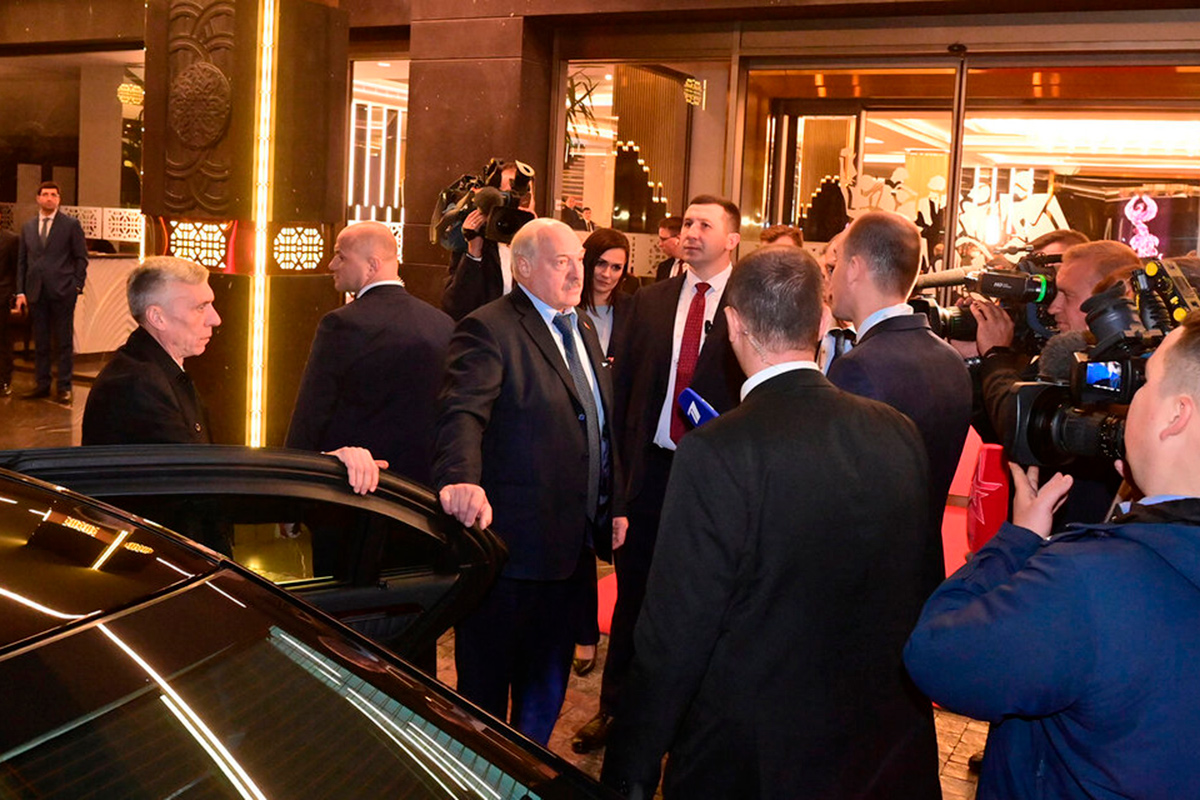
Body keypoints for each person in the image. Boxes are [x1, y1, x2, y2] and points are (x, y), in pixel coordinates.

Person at [601, 245, 941, 799]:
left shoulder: (716, 450)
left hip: (754, 755)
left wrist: (631, 767)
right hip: (875, 741)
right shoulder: (896, 429)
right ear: (823, 323)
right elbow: (916, 583)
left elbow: (675, 630)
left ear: (732, 324)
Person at [904, 309, 1200, 799]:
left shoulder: (1091, 582)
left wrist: (1017, 541)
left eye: (1145, 382)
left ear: (1176, 416)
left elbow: (935, 656)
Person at [571, 195, 746, 753]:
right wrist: (618, 490)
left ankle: (688, 727)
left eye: (704, 224)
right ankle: (616, 711)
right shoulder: (649, 302)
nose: (691, 232)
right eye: (687, 222)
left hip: (715, 481)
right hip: (650, 473)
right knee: (634, 597)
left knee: (704, 602)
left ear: (732, 239)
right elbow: (624, 400)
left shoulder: (750, 303)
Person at [433, 217, 617, 746]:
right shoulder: (488, 327)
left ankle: (528, 770)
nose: (578, 272)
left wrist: (614, 502)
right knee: (484, 696)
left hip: (572, 548)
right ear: (524, 266)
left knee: (546, 686)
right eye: (563, 262)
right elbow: (462, 413)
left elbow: (597, 423)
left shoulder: (582, 327)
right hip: (509, 551)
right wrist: (460, 479)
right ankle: (482, 773)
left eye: (579, 260)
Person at [83, 257, 382, 493]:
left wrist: (324, 466)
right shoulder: (136, 385)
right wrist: (324, 471)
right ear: (157, 317)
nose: (215, 319)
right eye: (201, 307)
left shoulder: (154, 371)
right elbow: (204, 482)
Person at [828, 210, 972, 594]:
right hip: (925, 576)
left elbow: (839, 502)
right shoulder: (950, 359)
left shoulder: (857, 368)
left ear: (855, 268)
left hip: (866, 586)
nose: (831, 276)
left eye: (836, 263)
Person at [973, 239, 1139, 525]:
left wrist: (996, 356)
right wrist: (978, 362)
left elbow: (1014, 420)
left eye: (1068, 295)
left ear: (1113, 298)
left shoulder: (1111, 374)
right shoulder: (1055, 358)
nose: (1052, 308)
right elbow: (999, 429)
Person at [286, 221, 454, 486]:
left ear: (372, 265)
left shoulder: (341, 323)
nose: (331, 264)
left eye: (341, 256)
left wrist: (292, 480)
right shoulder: (443, 324)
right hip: (423, 488)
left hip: (356, 486)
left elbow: (311, 414)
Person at [571, 226, 632, 678]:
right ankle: (583, 634)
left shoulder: (632, 311)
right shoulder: (567, 310)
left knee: (613, 539)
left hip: (620, 438)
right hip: (579, 438)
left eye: (617, 267)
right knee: (579, 544)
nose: (607, 274)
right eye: (601, 264)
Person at [15, 182, 89, 405]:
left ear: (59, 199)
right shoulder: (28, 227)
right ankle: (42, 384)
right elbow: (22, 261)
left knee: (63, 341)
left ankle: (64, 387)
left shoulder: (70, 225)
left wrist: (77, 285)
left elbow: (81, 257)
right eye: (45, 194)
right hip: (36, 291)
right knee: (41, 341)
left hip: (63, 290)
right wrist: (20, 291)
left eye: (53, 195)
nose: (49, 198)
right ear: (38, 198)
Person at [441, 161, 535, 320]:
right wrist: (474, 254)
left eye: (524, 196)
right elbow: (454, 307)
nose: (516, 202)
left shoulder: (540, 245)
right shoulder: (478, 242)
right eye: (507, 196)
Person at [0, 228, 17, 396]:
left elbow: (16, 269)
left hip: (2, 297)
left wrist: (13, 294)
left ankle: (4, 380)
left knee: (3, 341)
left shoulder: (10, 239)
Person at [653, 216, 685, 282]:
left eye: (663, 239)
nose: (660, 244)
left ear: (678, 238)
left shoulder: (697, 267)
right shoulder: (663, 267)